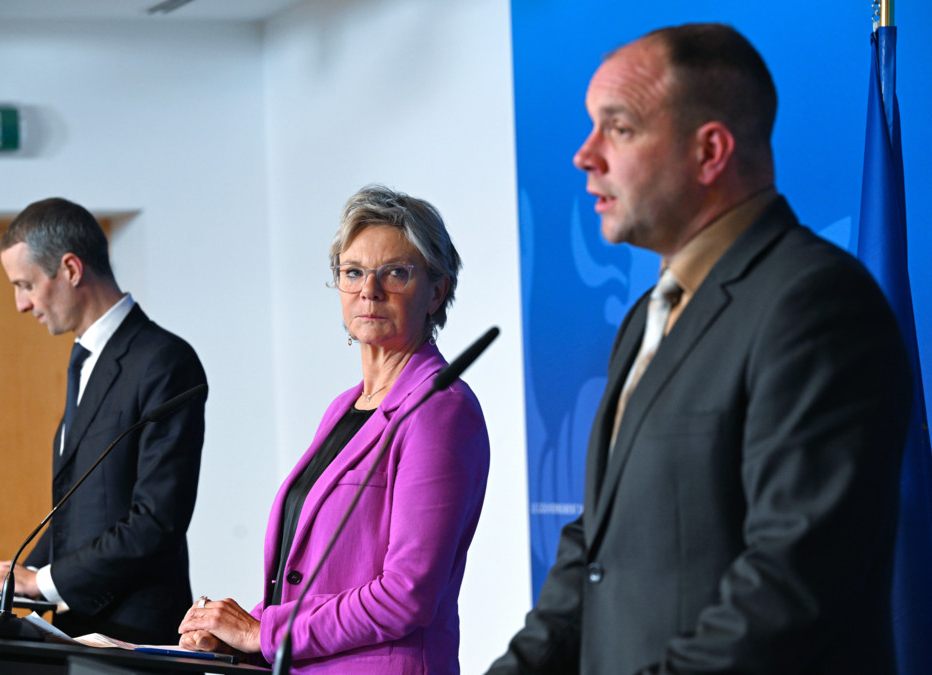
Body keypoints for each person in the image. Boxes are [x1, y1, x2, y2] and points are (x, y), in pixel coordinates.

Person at [488, 23, 912, 674]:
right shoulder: (645, 318)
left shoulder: (818, 302)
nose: (585, 154)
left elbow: (787, 587)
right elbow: (593, 546)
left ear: (709, 150)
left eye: (619, 128)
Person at [177, 185, 490, 673]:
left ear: (437, 290)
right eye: (353, 273)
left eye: (396, 274)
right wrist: (233, 632)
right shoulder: (345, 408)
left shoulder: (440, 411)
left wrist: (263, 633)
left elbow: (405, 595)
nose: (369, 290)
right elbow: (319, 581)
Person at [0, 197, 208, 644]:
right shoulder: (86, 359)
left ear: (70, 269)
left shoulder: (164, 361)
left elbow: (156, 521)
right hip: (80, 628)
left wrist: (44, 581)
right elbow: (82, 506)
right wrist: (17, 575)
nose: (19, 304)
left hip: (135, 634)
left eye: (25, 285)